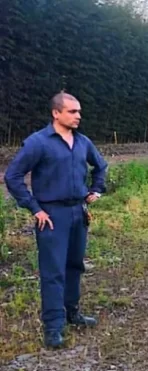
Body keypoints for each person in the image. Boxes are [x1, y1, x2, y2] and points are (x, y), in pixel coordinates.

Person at [4, 92, 108, 349]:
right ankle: (53, 326)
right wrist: (35, 208)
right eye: (72, 112)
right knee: (53, 272)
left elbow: (101, 166)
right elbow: (13, 176)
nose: (78, 116)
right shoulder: (38, 143)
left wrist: (96, 190)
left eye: (79, 112)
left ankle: (72, 313)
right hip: (51, 216)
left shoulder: (82, 142)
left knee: (75, 265)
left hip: (78, 212)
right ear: (56, 113)